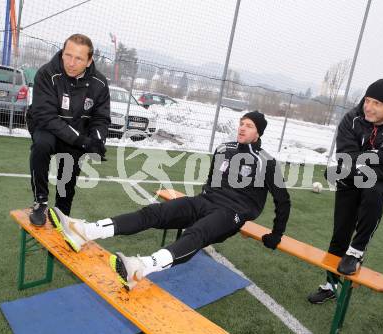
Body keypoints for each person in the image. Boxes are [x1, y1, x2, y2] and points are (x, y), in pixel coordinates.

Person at [49, 111, 291, 290]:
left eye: (248, 126)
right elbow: (211, 177)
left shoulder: (266, 162)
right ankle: (85, 231)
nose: (242, 128)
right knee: (152, 213)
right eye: (241, 124)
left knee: (195, 234)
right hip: (205, 201)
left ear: (258, 132)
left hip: (231, 214)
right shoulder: (223, 148)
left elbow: (283, 201)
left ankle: (140, 267)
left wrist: (276, 234)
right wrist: (205, 196)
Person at [308, 78, 383, 304]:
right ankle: (330, 284)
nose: (368, 107)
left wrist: (370, 162)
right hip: (353, 173)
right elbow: (347, 158)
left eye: (377, 103)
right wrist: (379, 158)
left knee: (371, 190)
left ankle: (356, 251)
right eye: (367, 101)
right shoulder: (352, 119)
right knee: (341, 229)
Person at [27, 33, 110, 226]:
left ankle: (61, 214)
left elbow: (101, 117)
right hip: (47, 128)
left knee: (69, 176)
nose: (71, 62)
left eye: (79, 58)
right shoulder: (46, 73)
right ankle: (40, 201)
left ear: (89, 61)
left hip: (77, 132)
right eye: (68, 55)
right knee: (41, 145)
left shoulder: (99, 83)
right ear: (63, 53)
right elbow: (46, 116)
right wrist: (82, 141)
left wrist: (97, 140)